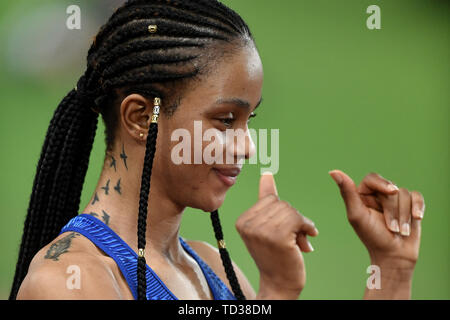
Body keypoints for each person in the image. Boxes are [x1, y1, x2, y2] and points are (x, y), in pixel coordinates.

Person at [10, 0, 425, 300]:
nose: (247, 147)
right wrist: (277, 293)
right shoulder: (70, 280)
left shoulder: (210, 270)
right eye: (226, 120)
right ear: (140, 118)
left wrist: (392, 270)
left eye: (250, 122)